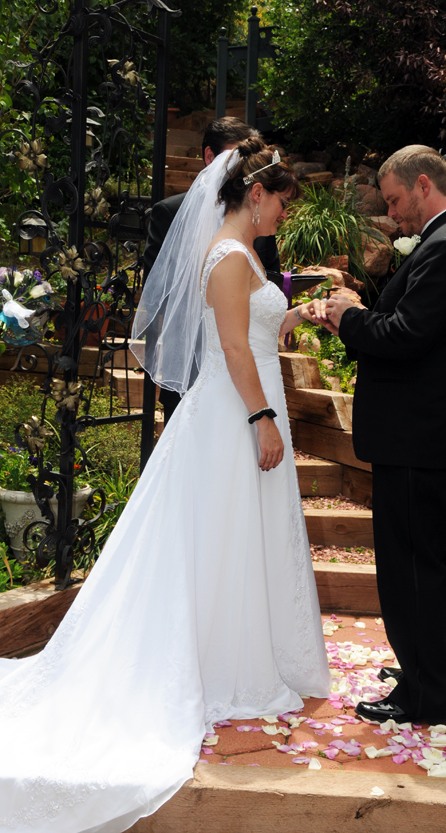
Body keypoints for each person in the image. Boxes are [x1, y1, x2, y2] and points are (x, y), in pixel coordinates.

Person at [0, 140, 330, 833]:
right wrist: (263, 418)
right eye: (281, 201)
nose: (284, 214)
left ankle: (242, 648)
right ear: (256, 194)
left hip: (241, 408)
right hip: (233, 419)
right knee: (220, 538)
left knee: (239, 536)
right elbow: (235, 349)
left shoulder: (240, 258)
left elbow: (258, 331)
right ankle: (216, 662)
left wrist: (307, 312)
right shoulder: (229, 258)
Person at [320, 145, 446, 725]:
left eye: (395, 201)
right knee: (428, 561)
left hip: (419, 435)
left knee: (410, 565)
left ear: (423, 185)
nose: (393, 216)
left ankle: (425, 694)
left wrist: (347, 316)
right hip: (424, 433)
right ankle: (436, 671)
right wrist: (358, 309)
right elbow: (411, 328)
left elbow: (405, 336)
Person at [145, 116, 280, 423]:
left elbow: (270, 272)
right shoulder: (169, 212)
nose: (241, 170)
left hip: (251, 363)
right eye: (235, 159)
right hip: (194, 362)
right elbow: (159, 291)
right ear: (209, 157)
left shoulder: (260, 216)